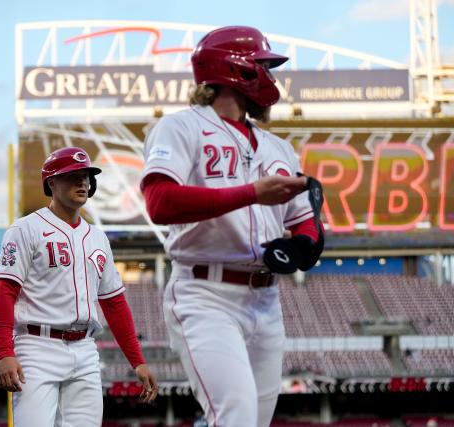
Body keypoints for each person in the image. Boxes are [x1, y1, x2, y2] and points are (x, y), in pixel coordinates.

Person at [141, 26, 324, 427]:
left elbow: (303, 222)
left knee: (250, 422)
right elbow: (159, 202)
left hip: (266, 301)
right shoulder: (181, 127)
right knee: (234, 415)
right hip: (206, 295)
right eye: (264, 65)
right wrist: (252, 193)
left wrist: (304, 245)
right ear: (235, 69)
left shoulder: (278, 147)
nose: (270, 76)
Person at [0, 147, 158, 426]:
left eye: (85, 177)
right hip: (37, 347)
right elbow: (5, 293)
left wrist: (137, 361)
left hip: (85, 349)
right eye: (72, 177)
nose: (82, 183)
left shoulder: (97, 237)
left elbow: (114, 304)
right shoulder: (25, 229)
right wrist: (5, 353)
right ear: (52, 183)